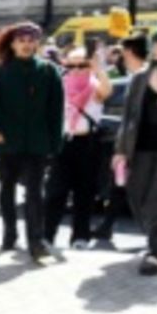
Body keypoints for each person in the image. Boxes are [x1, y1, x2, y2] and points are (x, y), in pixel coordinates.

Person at [0, 22, 65, 261]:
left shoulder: (49, 71)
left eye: (31, 41)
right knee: (7, 188)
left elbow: (56, 111)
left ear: (37, 43)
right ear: (13, 44)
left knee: (35, 192)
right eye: (21, 41)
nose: (26, 45)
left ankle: (36, 241)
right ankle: (9, 233)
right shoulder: (0, 71)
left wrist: (55, 142)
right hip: (8, 142)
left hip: (37, 143)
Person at [44, 47, 114, 249]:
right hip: (64, 142)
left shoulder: (95, 87)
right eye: (70, 65)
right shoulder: (60, 86)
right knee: (55, 191)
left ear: (89, 66)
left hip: (88, 143)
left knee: (85, 192)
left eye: (82, 65)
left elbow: (107, 90)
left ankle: (80, 236)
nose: (76, 69)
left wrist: (98, 68)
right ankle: (47, 236)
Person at [114, 41, 157, 275]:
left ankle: (156, 253)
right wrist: (120, 150)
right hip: (140, 147)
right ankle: (155, 241)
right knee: (136, 192)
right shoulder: (141, 77)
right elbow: (128, 116)